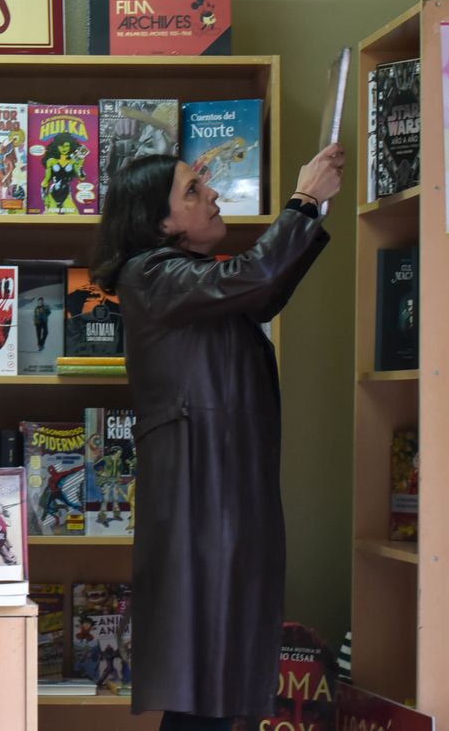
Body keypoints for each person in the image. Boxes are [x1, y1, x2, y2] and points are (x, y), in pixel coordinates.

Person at [90, 141, 344, 730]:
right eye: (192, 191)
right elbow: (255, 279)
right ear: (160, 223)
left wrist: (309, 213)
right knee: (205, 675)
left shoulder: (189, 280)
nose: (213, 194)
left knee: (214, 675)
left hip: (217, 492)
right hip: (200, 497)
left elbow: (262, 290)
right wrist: (303, 201)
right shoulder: (152, 274)